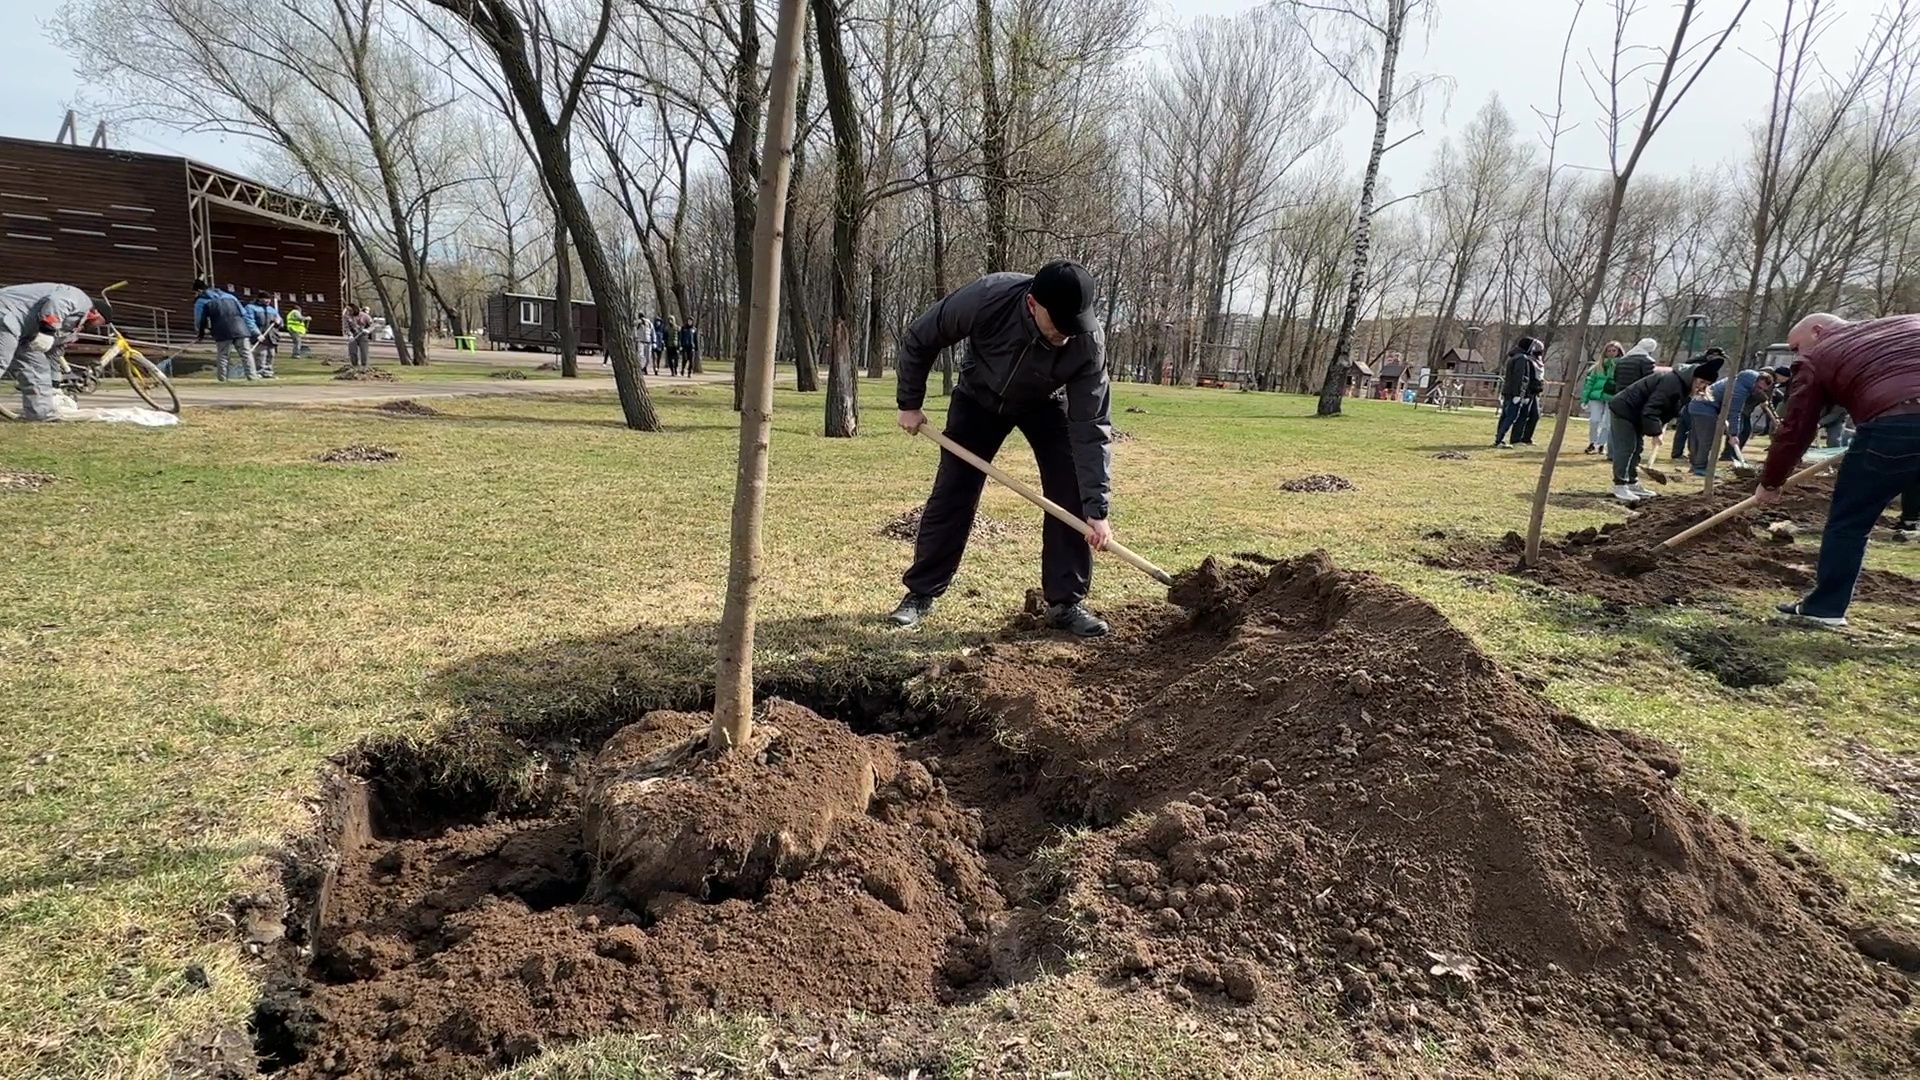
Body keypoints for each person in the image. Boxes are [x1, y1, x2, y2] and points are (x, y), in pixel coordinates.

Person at [887, 260, 1115, 638]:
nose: (1065, 334)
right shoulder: (988, 297)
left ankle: (1065, 602)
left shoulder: (1087, 342)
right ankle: (920, 594)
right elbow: (921, 337)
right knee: (953, 492)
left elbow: (1091, 426)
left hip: (1046, 402)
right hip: (979, 397)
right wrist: (909, 402)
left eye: (1073, 325)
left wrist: (1097, 509)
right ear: (1032, 305)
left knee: (1069, 490)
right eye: (1057, 322)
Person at [1757, 312, 1920, 627]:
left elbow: (1797, 427)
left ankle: (1826, 608)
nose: (1796, 356)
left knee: (1850, 521)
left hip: (1893, 426)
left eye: (1795, 347)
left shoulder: (1817, 356)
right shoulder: (1910, 322)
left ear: (1818, 331)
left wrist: (1771, 482)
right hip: (1896, 415)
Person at [1607, 354, 1725, 504]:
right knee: (1627, 447)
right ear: (1693, 376)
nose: (1702, 387)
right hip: (1624, 409)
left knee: (1637, 448)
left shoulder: (1684, 387)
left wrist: (1661, 427)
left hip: (1636, 414)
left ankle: (1631, 483)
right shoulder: (1672, 382)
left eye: (1706, 384)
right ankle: (1620, 485)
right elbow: (1652, 408)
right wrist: (1656, 433)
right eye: (1701, 381)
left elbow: (1666, 410)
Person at [0, 282, 102, 420]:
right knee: (1, 361)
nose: (100, 327)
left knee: (37, 367)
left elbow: (53, 355)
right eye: (102, 322)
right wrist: (47, 330)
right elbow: (57, 302)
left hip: (22, 333)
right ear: (96, 313)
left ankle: (41, 415)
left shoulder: (74, 325)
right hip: (6, 313)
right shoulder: (81, 299)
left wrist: (55, 385)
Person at [194, 278, 259, 381]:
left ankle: (222, 379)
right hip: (241, 328)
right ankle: (252, 376)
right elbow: (243, 312)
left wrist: (200, 332)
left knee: (223, 356)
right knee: (246, 354)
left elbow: (199, 319)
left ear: (199, 291)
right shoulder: (231, 296)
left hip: (222, 330)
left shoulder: (201, 300)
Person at [1493, 336, 1542, 448]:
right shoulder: (1522, 359)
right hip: (1513, 393)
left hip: (1508, 391)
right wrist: (1518, 394)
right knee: (1510, 416)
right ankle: (1499, 440)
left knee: (1505, 416)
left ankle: (1498, 439)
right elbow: (1519, 377)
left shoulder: (1515, 357)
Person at [1582, 342, 1624, 454]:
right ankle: (1592, 442)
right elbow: (1589, 383)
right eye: (1608, 351)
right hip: (1596, 395)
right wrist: (1585, 398)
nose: (1611, 353)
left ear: (1618, 352)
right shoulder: (1597, 367)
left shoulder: (1622, 366)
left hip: (1611, 396)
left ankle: (1601, 444)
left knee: (1607, 423)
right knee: (1594, 420)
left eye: (1613, 351)